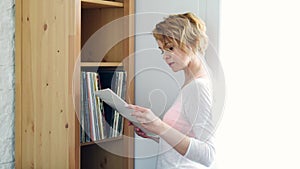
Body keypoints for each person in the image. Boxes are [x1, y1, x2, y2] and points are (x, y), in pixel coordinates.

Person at [127, 12, 215, 169]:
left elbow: (208, 154)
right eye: (162, 50)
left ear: (192, 43)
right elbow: (186, 137)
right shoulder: (189, 83)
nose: (165, 56)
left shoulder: (198, 88)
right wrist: (155, 133)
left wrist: (158, 125)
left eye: (170, 48)